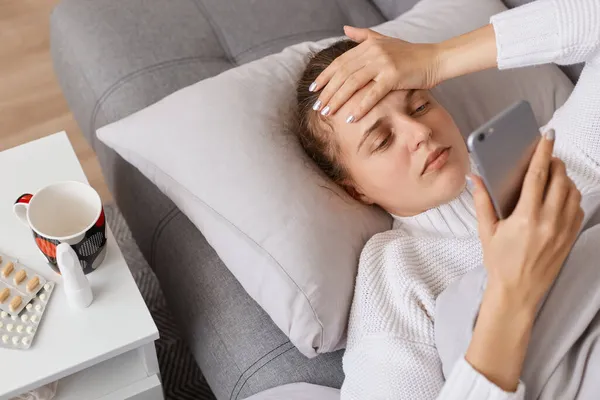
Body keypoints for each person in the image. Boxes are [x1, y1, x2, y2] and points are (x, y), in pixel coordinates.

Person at [294, 0, 600, 398]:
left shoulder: (561, 152)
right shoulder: (396, 276)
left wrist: (438, 58)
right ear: (356, 190)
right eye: (382, 140)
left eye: (420, 105)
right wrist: (511, 295)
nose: (418, 132)